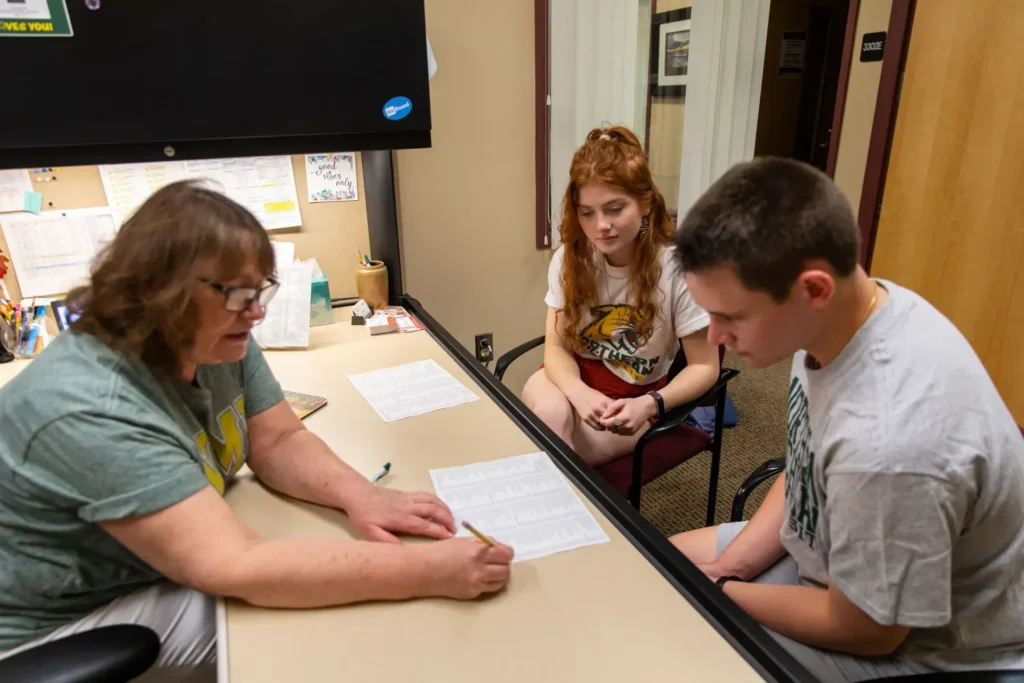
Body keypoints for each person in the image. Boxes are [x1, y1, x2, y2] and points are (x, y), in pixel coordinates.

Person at [0, 181, 514, 682]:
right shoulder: (90, 410)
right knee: (308, 635)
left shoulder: (213, 339)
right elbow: (239, 564)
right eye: (239, 293)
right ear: (165, 294)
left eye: (261, 289)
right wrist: (430, 573)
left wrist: (362, 496)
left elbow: (276, 441)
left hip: (139, 569)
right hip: (58, 624)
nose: (258, 311)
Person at [670, 157, 1024, 681]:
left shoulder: (890, 440)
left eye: (731, 316)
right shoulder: (839, 316)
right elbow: (803, 463)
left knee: (678, 639)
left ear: (814, 289)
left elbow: (869, 630)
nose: (715, 337)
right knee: (656, 564)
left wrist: (721, 593)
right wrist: (731, 568)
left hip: (924, 649)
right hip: (835, 563)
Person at [522, 126, 719, 468]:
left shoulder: (679, 269)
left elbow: (705, 366)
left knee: (551, 457)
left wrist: (651, 404)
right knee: (549, 425)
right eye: (587, 213)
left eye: (614, 209)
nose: (601, 226)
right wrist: (578, 392)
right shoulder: (568, 259)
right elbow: (555, 349)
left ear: (644, 203)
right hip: (568, 380)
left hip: (632, 400)